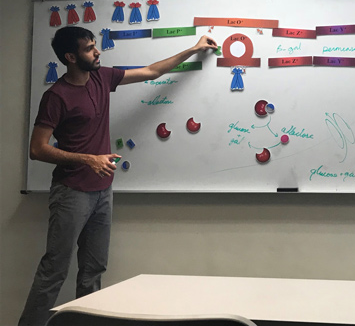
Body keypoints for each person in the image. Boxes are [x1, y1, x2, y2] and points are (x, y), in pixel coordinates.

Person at [19, 26, 218, 326]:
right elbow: (37, 149)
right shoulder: (56, 96)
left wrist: (193, 48)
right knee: (55, 270)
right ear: (71, 57)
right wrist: (87, 159)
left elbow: (151, 71)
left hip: (103, 192)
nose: (97, 51)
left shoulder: (102, 77)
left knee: (94, 271)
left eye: (95, 45)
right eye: (89, 48)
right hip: (71, 193)